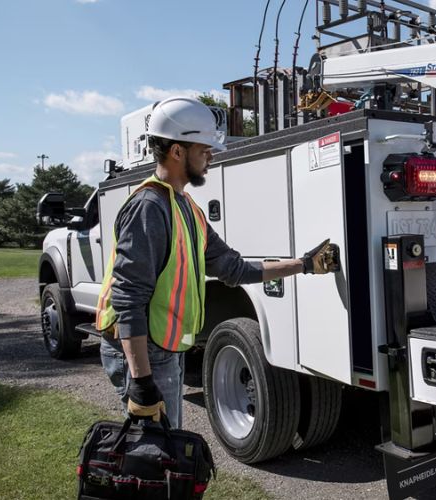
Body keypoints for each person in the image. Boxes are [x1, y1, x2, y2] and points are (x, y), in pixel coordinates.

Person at [96, 96, 338, 428]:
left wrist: (304, 264)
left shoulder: (187, 208)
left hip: (162, 348)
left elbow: (233, 268)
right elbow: (128, 298)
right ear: (177, 151)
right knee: (155, 453)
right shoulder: (148, 207)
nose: (211, 157)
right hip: (142, 352)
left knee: (164, 445)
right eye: (204, 150)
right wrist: (140, 380)